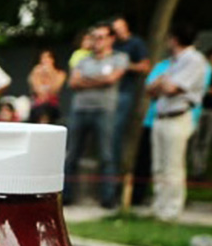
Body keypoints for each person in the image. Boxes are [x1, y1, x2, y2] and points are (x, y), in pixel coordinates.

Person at [146, 24, 210, 221]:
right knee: (159, 166)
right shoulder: (174, 61)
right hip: (161, 116)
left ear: (174, 39)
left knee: (173, 167)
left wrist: (162, 82)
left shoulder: (194, 60)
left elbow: (173, 88)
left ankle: (171, 210)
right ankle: (158, 206)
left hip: (178, 116)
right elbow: (151, 89)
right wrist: (161, 83)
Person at [64, 24, 128, 208]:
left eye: (100, 37)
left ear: (110, 39)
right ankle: (66, 195)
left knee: (106, 154)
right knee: (72, 154)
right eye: (94, 37)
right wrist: (98, 80)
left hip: (104, 110)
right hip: (80, 109)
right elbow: (73, 82)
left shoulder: (119, 58)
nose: (96, 41)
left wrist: (86, 81)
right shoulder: (83, 59)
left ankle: (108, 198)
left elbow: (111, 79)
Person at [111, 16, 151, 170]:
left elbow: (145, 67)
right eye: (115, 30)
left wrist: (124, 66)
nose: (117, 32)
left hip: (125, 92)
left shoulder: (135, 43)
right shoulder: (113, 44)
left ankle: (118, 171)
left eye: (120, 29)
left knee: (117, 131)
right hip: (108, 93)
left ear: (126, 28)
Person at [28, 49, 66, 123]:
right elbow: (36, 88)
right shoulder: (36, 71)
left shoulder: (60, 74)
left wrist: (51, 74)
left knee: (47, 110)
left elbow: (54, 90)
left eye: (48, 58)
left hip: (52, 106)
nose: (45, 60)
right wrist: (39, 74)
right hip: (37, 106)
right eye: (43, 58)